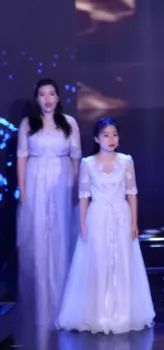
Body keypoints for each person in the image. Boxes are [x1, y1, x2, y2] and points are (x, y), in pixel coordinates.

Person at [56, 118, 154, 333]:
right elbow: (84, 196)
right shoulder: (88, 163)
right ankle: (99, 314)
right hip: (97, 216)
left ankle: (122, 313)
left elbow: (132, 193)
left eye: (114, 135)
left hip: (121, 215)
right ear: (96, 138)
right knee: (98, 263)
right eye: (106, 135)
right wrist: (82, 224)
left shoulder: (126, 161)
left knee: (122, 262)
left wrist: (134, 222)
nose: (111, 139)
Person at [16, 78, 81, 316]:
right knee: (38, 232)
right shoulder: (27, 124)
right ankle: (41, 292)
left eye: (51, 94)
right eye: (42, 94)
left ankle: (64, 290)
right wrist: (23, 188)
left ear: (58, 97)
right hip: (36, 179)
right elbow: (22, 156)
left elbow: (76, 156)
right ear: (37, 98)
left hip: (63, 179)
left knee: (62, 231)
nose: (47, 99)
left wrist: (76, 187)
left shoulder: (69, 123)